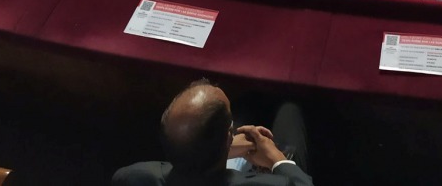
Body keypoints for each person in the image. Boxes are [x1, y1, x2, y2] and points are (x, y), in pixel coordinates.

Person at [111, 80, 313, 185]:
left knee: (246, 105)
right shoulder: (275, 184)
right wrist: (275, 158)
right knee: (290, 107)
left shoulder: (132, 177)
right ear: (228, 137)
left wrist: (229, 148)